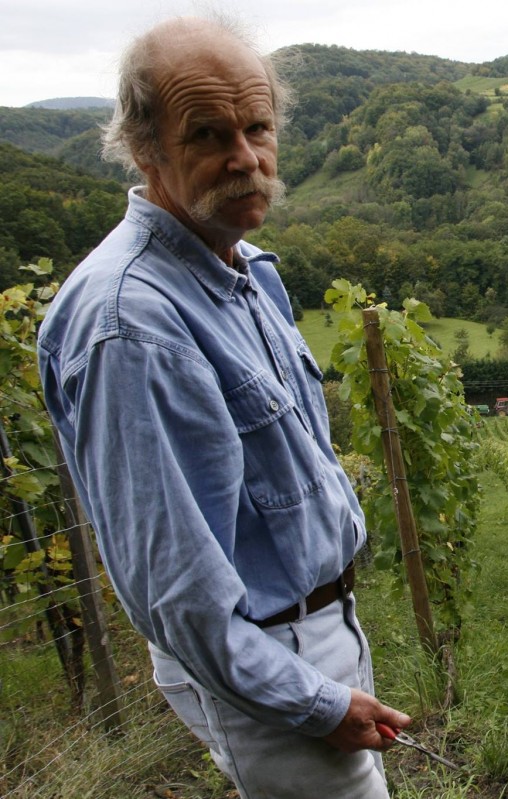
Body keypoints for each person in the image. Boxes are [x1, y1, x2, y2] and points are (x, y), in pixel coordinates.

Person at [37, 15, 408, 799]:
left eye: (257, 128)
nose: (246, 158)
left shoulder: (246, 271)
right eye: (207, 134)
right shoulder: (132, 326)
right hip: (270, 659)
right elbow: (179, 593)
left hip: (316, 631)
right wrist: (314, 701)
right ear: (144, 148)